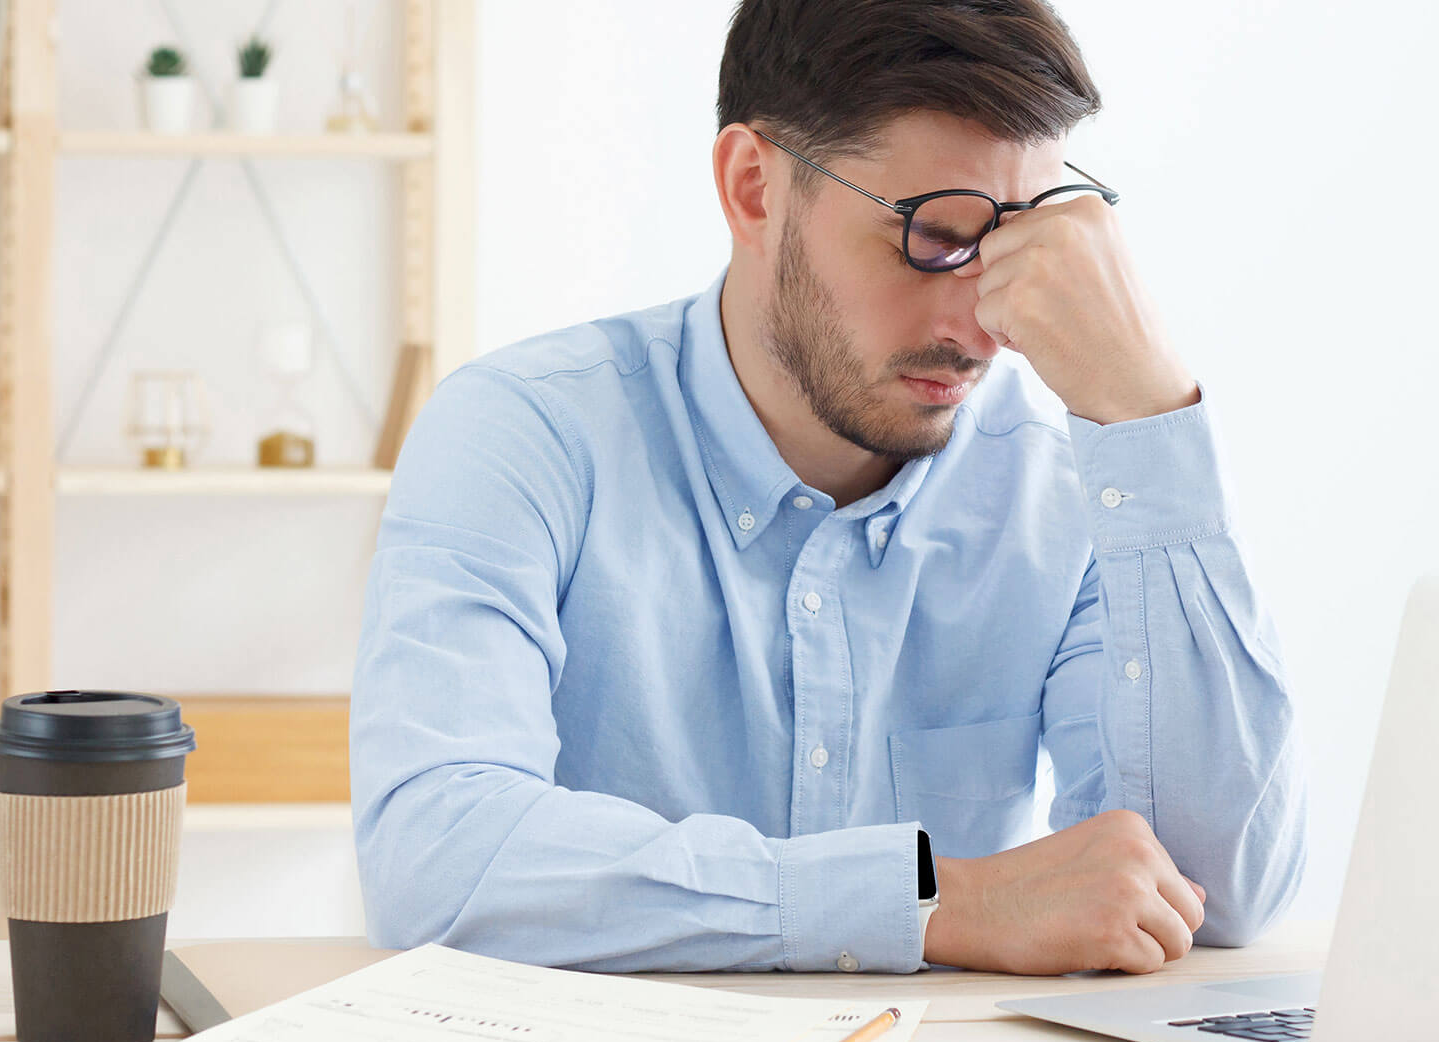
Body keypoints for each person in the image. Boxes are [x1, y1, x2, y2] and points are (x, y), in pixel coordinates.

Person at [350, 0, 1306, 976]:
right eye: (935, 237)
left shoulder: (1070, 494)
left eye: (1027, 245)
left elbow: (1208, 895)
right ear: (753, 187)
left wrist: (1147, 416)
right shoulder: (521, 436)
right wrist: (935, 901)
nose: (985, 321)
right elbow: (435, 857)